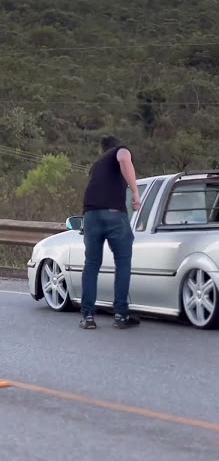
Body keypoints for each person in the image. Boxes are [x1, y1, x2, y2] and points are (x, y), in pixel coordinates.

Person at [79, 135, 142, 330]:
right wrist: (135, 192)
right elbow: (124, 158)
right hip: (114, 215)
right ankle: (120, 316)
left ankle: (88, 317)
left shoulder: (97, 164)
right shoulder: (120, 150)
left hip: (90, 215)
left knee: (91, 265)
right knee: (123, 263)